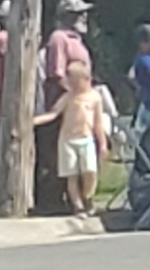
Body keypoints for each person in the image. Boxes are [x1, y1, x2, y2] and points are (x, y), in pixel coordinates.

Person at [38, 47, 115, 217]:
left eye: (74, 80)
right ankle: (78, 205)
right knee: (71, 174)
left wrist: (102, 144)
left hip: (86, 139)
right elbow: (53, 113)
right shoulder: (68, 97)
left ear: (86, 80)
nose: (70, 84)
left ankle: (87, 196)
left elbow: (97, 124)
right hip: (67, 141)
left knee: (89, 171)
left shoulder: (95, 97)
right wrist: (35, 121)